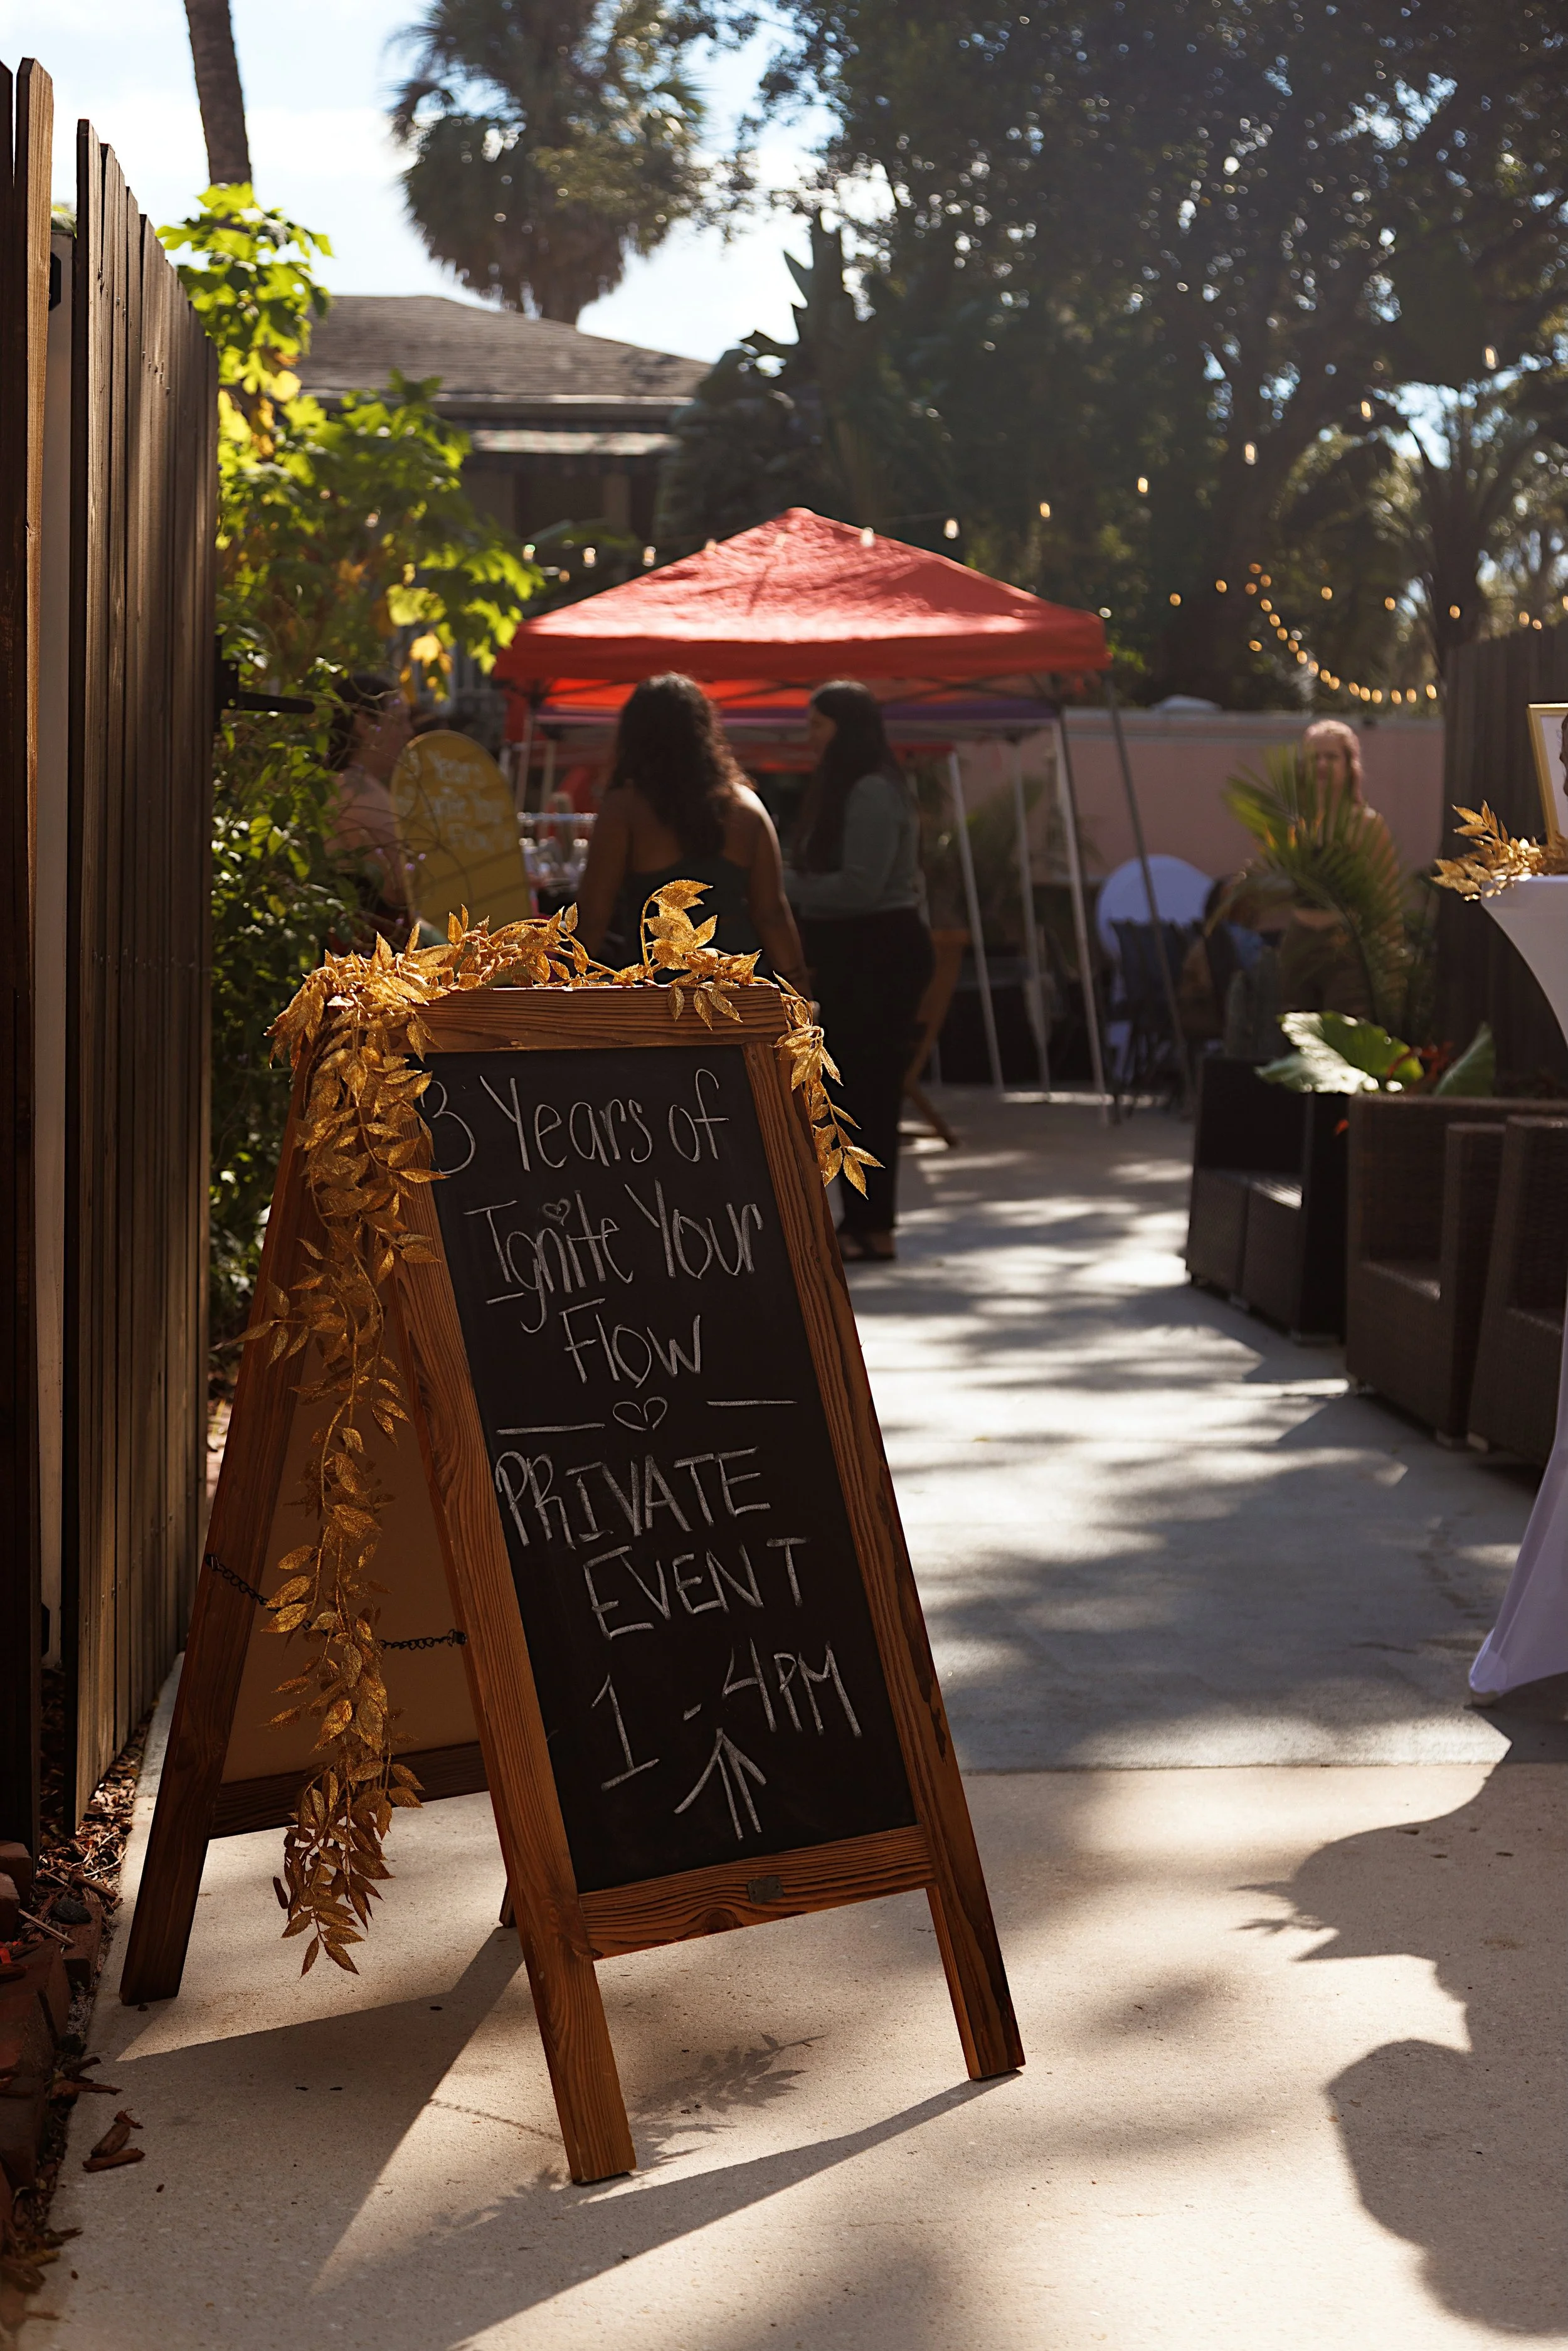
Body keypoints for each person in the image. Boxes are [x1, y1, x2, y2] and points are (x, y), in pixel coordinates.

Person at [784, 681, 934, 1263]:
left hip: (878, 953)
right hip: (865, 952)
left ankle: (873, 1226)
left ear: (845, 729)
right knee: (859, 1092)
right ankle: (867, 1223)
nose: (811, 737)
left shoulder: (871, 790)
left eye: (819, 726)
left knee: (866, 1093)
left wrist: (776, 881)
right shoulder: (867, 785)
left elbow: (859, 887)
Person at [575, 672, 808, 989]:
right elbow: (771, 914)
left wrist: (566, 986)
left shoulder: (625, 808)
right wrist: (799, 991)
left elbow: (593, 915)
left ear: (634, 735)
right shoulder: (747, 805)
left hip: (658, 991)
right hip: (737, 987)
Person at [1277, 716, 1397, 1020]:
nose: (1322, 765)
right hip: (1299, 941)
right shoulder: (1293, 825)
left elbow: (1387, 894)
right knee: (1297, 1036)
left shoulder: (1367, 824)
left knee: (1346, 1039)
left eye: (1331, 757)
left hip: (1345, 945)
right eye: (1314, 757)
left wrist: (1392, 960)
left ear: (1349, 765)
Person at [325, 672, 415, 930]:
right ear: (365, 724)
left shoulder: (342, 785)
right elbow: (400, 887)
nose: (409, 733)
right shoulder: (358, 792)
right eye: (400, 722)